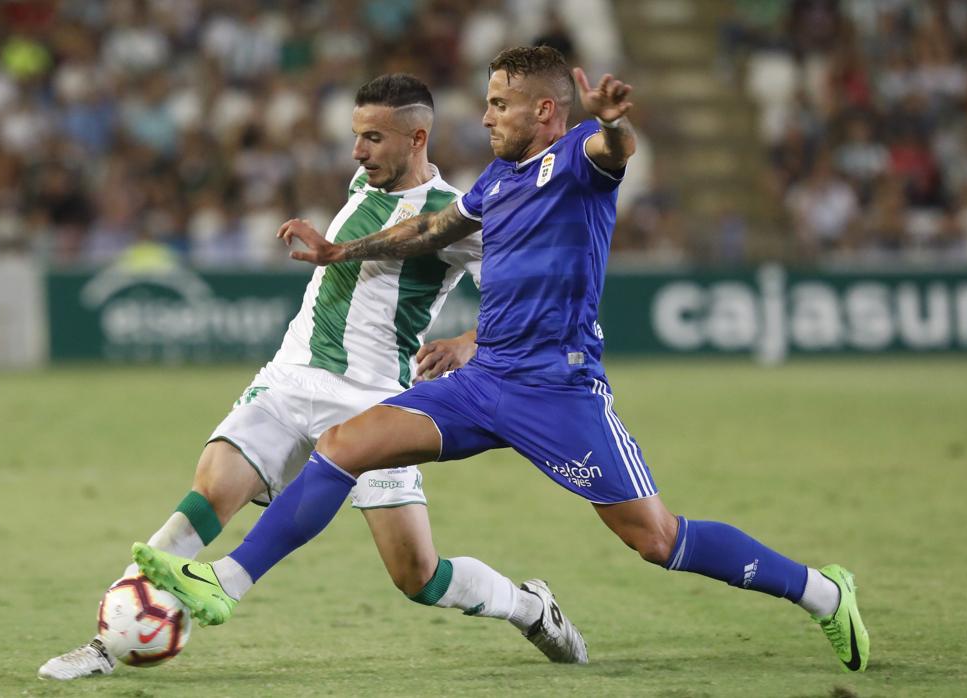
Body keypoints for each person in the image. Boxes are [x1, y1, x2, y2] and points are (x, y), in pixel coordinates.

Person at [129, 47, 870, 673]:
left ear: (545, 113)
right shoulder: (495, 182)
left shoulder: (577, 162)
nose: (484, 116)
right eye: (486, 102)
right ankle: (225, 580)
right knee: (344, 444)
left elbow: (613, 151)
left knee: (655, 539)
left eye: (499, 104)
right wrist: (339, 252)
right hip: (483, 383)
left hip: (557, 392)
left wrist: (611, 123)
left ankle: (821, 592)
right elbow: (425, 232)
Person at [39, 73, 587, 681]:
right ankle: (107, 643)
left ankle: (529, 607)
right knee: (207, 495)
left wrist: (466, 340)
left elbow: (525, 302)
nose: (358, 152)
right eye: (356, 137)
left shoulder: (457, 218)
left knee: (418, 575)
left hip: (374, 404)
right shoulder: (364, 180)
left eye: (373, 139)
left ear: (417, 138)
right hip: (290, 380)